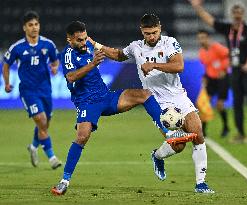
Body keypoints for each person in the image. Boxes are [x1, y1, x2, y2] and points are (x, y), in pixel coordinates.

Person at [51, 21, 197, 195]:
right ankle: (64, 181)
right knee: (82, 137)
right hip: (87, 103)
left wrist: (99, 47)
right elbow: (71, 77)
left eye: (84, 38)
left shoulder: (89, 46)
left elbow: (116, 54)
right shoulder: (67, 54)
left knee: (144, 94)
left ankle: (169, 134)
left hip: (106, 97)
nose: (83, 43)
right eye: (79, 40)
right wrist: (92, 64)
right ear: (69, 40)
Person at [88, 14, 214, 193]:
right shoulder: (135, 47)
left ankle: (201, 183)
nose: (151, 37)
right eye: (147, 33)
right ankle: (157, 156)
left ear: (160, 28)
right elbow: (118, 55)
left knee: (197, 132)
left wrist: (154, 65)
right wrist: (96, 45)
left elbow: (179, 65)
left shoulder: (170, 42)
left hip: (178, 96)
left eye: (154, 32)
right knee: (178, 146)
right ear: (142, 31)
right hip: (156, 101)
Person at [2, 11, 62, 169]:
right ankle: (52, 158)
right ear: (24, 28)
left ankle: (34, 147)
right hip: (28, 91)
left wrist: (55, 68)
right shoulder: (18, 47)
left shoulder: (48, 44)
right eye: (30, 25)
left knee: (45, 124)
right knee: (41, 121)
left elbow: (56, 61)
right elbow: (6, 64)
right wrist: (7, 83)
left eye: (36, 24)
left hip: (45, 90)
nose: (34, 28)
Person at [189, 0, 247, 143]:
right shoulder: (227, 28)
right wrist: (197, 7)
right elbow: (209, 20)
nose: (237, 15)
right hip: (235, 71)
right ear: (231, 14)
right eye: (234, 12)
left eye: (239, 12)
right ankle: (240, 134)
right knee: (237, 103)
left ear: (243, 13)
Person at [197, 29, 230, 137]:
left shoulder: (216, 47)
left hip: (222, 79)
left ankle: (226, 127)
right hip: (211, 79)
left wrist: (224, 69)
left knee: (219, 105)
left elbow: (228, 56)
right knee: (204, 103)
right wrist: (205, 77)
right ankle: (203, 131)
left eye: (203, 37)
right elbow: (208, 66)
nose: (201, 40)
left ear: (208, 38)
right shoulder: (201, 52)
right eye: (200, 38)